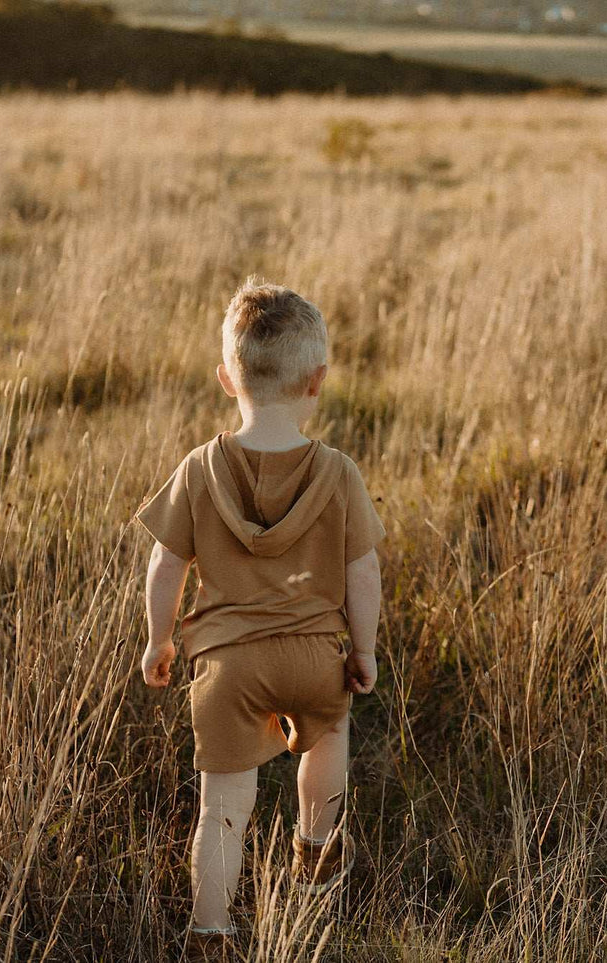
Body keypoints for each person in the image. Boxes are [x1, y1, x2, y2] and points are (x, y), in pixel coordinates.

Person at [135, 279, 385, 951]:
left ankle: (210, 927)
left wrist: (159, 639)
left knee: (221, 808)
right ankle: (315, 850)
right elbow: (363, 573)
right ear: (317, 381)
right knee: (328, 739)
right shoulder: (338, 472)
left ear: (225, 378)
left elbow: (165, 565)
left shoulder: (197, 468)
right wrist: (362, 650)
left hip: (226, 664)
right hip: (312, 655)